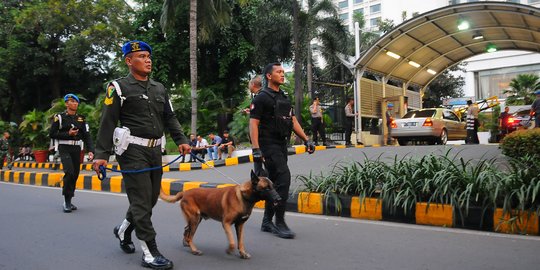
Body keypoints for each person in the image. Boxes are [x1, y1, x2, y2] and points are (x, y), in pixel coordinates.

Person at [92, 40, 189, 270]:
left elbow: (170, 118)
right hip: (132, 151)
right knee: (141, 200)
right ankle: (149, 252)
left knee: (150, 198)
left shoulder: (159, 88)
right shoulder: (118, 87)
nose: (147, 60)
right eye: (141, 56)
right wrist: (101, 154)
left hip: (155, 150)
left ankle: (124, 229)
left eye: (148, 56)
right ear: (129, 61)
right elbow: (108, 122)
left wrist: (182, 141)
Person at [249, 62, 315, 239]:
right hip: (267, 144)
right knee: (284, 179)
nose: (282, 74)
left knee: (275, 182)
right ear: (269, 76)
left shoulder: (284, 98)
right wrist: (256, 149)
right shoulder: (261, 97)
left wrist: (307, 139)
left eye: (283, 72)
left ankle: (266, 222)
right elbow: (253, 124)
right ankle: (279, 222)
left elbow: (292, 121)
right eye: (278, 72)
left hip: (281, 144)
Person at [49, 93, 94, 213]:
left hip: (77, 149)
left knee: (75, 174)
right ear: (66, 103)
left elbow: (87, 136)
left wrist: (91, 151)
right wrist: (67, 134)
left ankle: (70, 197)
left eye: (76, 102)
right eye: (71, 101)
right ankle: (67, 201)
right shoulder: (59, 117)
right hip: (64, 147)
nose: (74, 103)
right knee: (69, 172)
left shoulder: (81, 119)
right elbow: (52, 134)